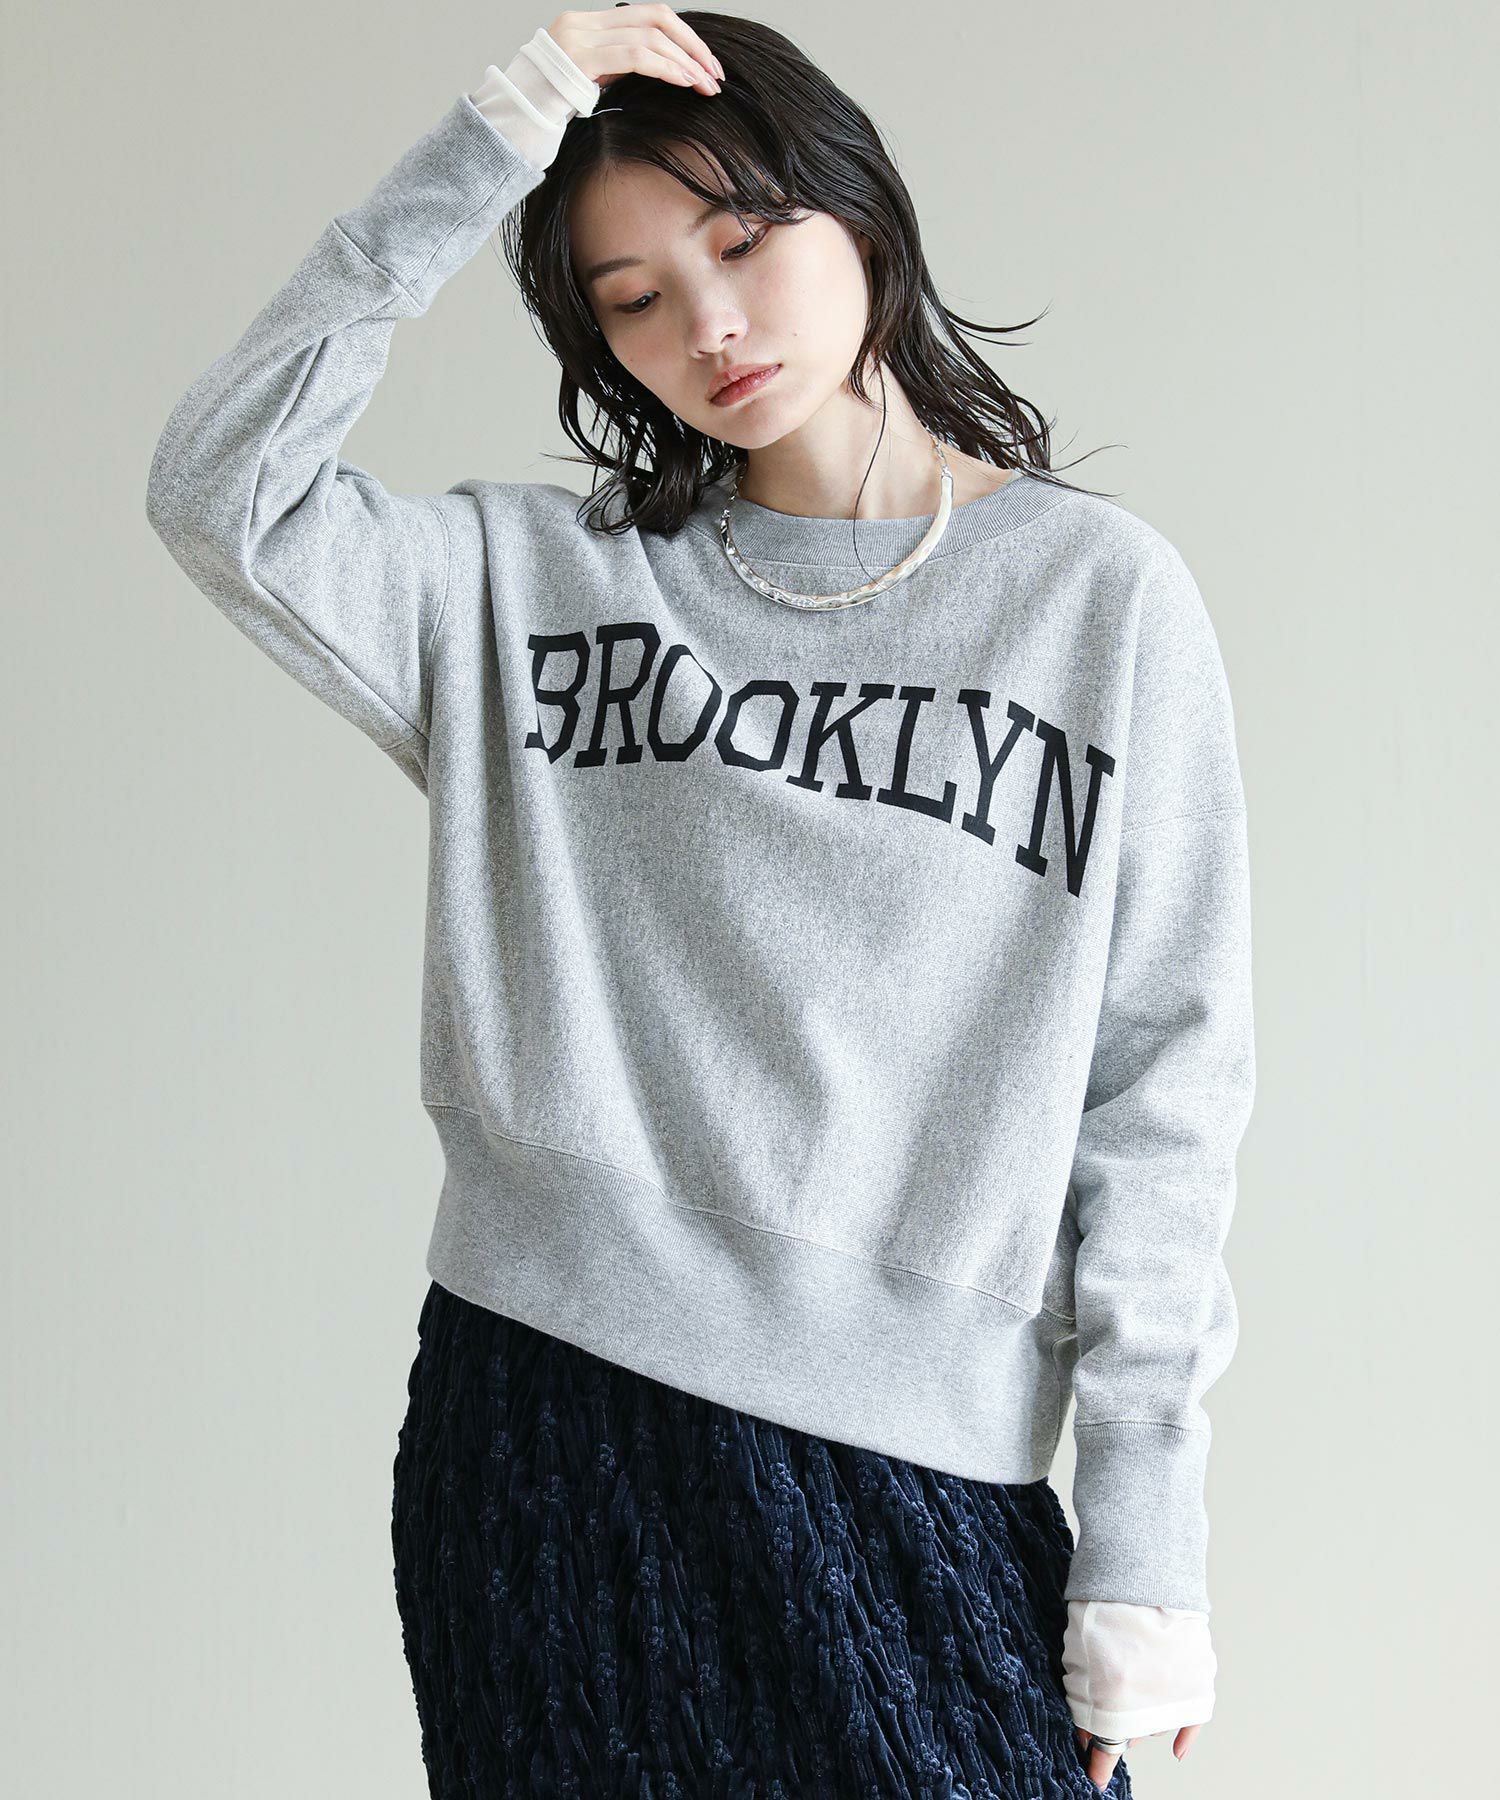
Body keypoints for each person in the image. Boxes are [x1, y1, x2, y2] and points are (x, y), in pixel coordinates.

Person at [144, 8, 1255, 1796]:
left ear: (858, 212)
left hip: (921, 1452)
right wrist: (491, 141)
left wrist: (1148, 1549)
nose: (710, 326)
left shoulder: (1095, 598)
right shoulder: (530, 585)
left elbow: (1164, 1094)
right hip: (551, 1417)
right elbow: (225, 491)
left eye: (742, 241)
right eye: (634, 297)